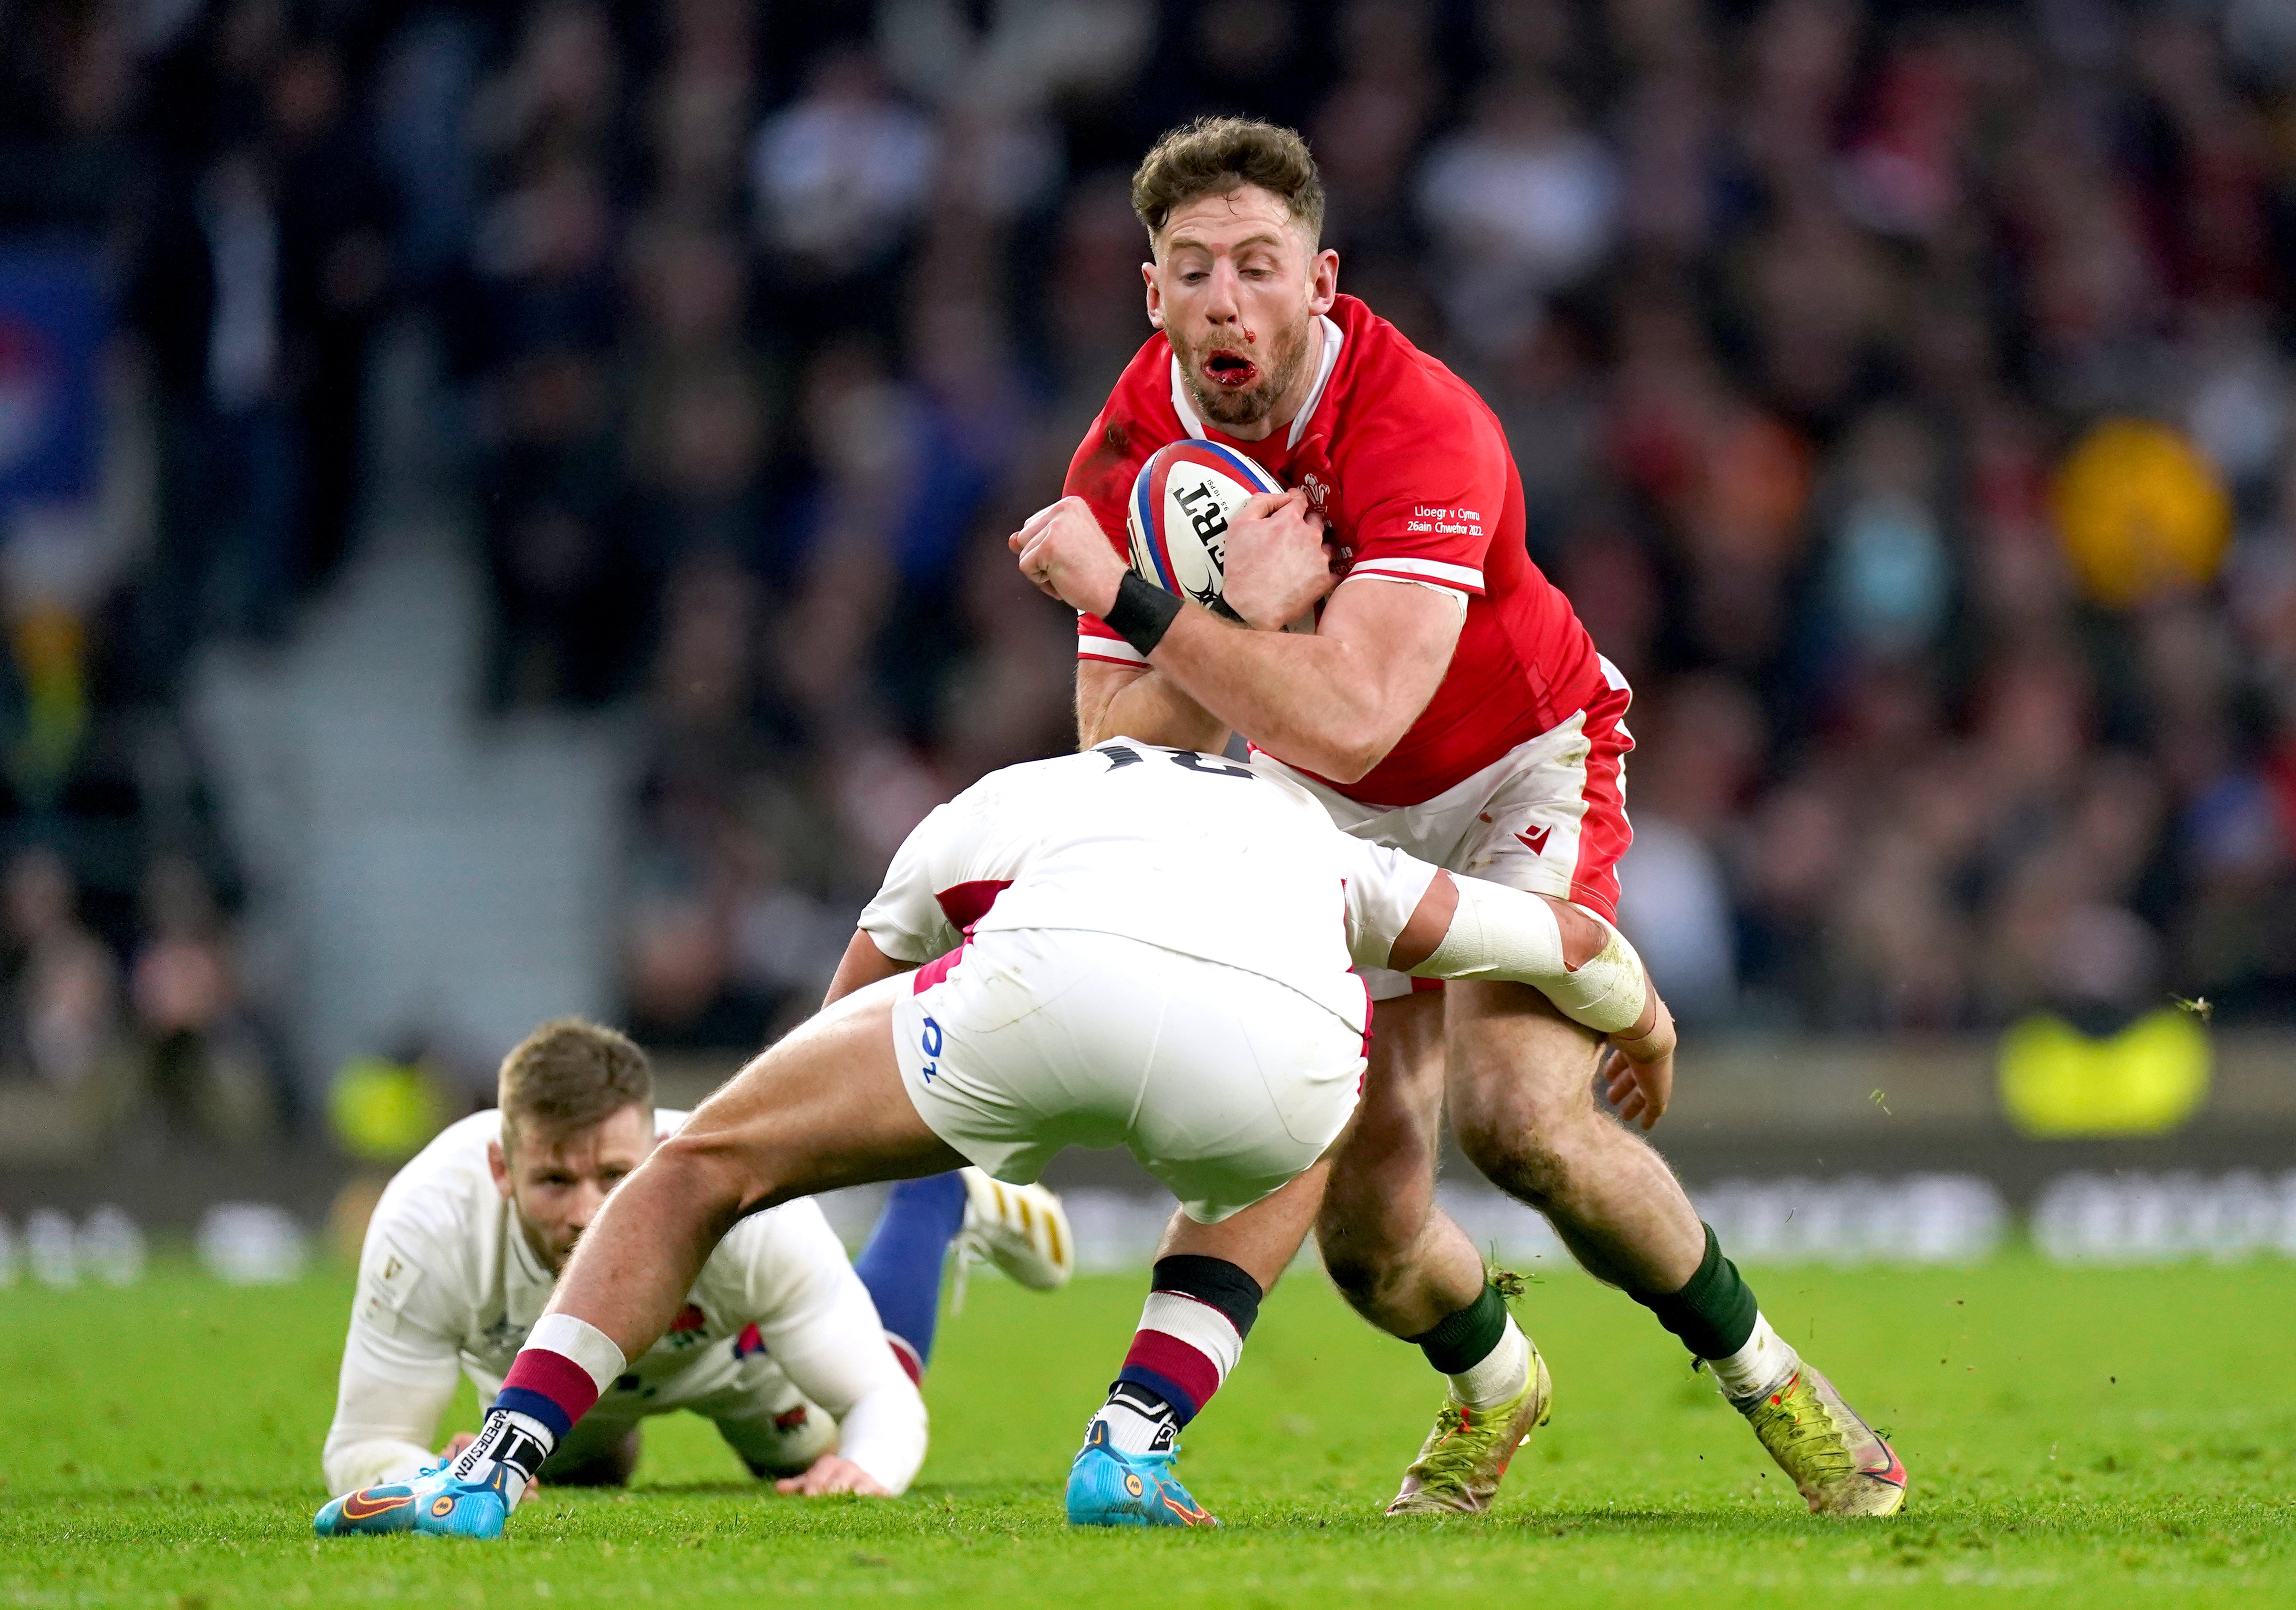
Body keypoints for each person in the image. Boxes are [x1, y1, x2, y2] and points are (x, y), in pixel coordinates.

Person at [1008, 116, 1904, 1518]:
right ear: (1152, 291)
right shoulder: (1125, 449)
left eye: (1259, 264)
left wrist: (1139, 603)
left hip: (1513, 770)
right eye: (1192, 271)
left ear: (1322, 279)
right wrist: (1231, 609)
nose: (1225, 301)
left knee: (1521, 1126)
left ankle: (1776, 1380)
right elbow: (1124, 758)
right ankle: (1496, 1384)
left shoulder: (1423, 423)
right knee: (1365, 1237)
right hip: (1316, 814)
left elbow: (1365, 711)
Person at [311, 736, 1677, 1536]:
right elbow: (1561, 941)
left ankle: (492, 1471)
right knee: (1309, 1134)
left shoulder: (1010, 799)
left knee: (696, 1165)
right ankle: (1133, 1440)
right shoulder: (1327, 840)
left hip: (1033, 995)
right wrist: (1643, 1020)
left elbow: (840, 1018)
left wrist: (772, 1157)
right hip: (1268, 1046)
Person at [317, 1017, 1069, 1511]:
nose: (586, 1213)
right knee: (581, 1478)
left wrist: (867, 1471)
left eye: (615, 1178)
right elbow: (362, 1447)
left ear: (654, 1154)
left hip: (733, 1364)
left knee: (813, 1450)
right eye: (554, 1181)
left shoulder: (744, 1206)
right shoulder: (429, 1220)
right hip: (553, 1397)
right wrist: (424, 1474)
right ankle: (604, 1438)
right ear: (500, 1167)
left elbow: (883, 1404)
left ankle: (934, 1199)